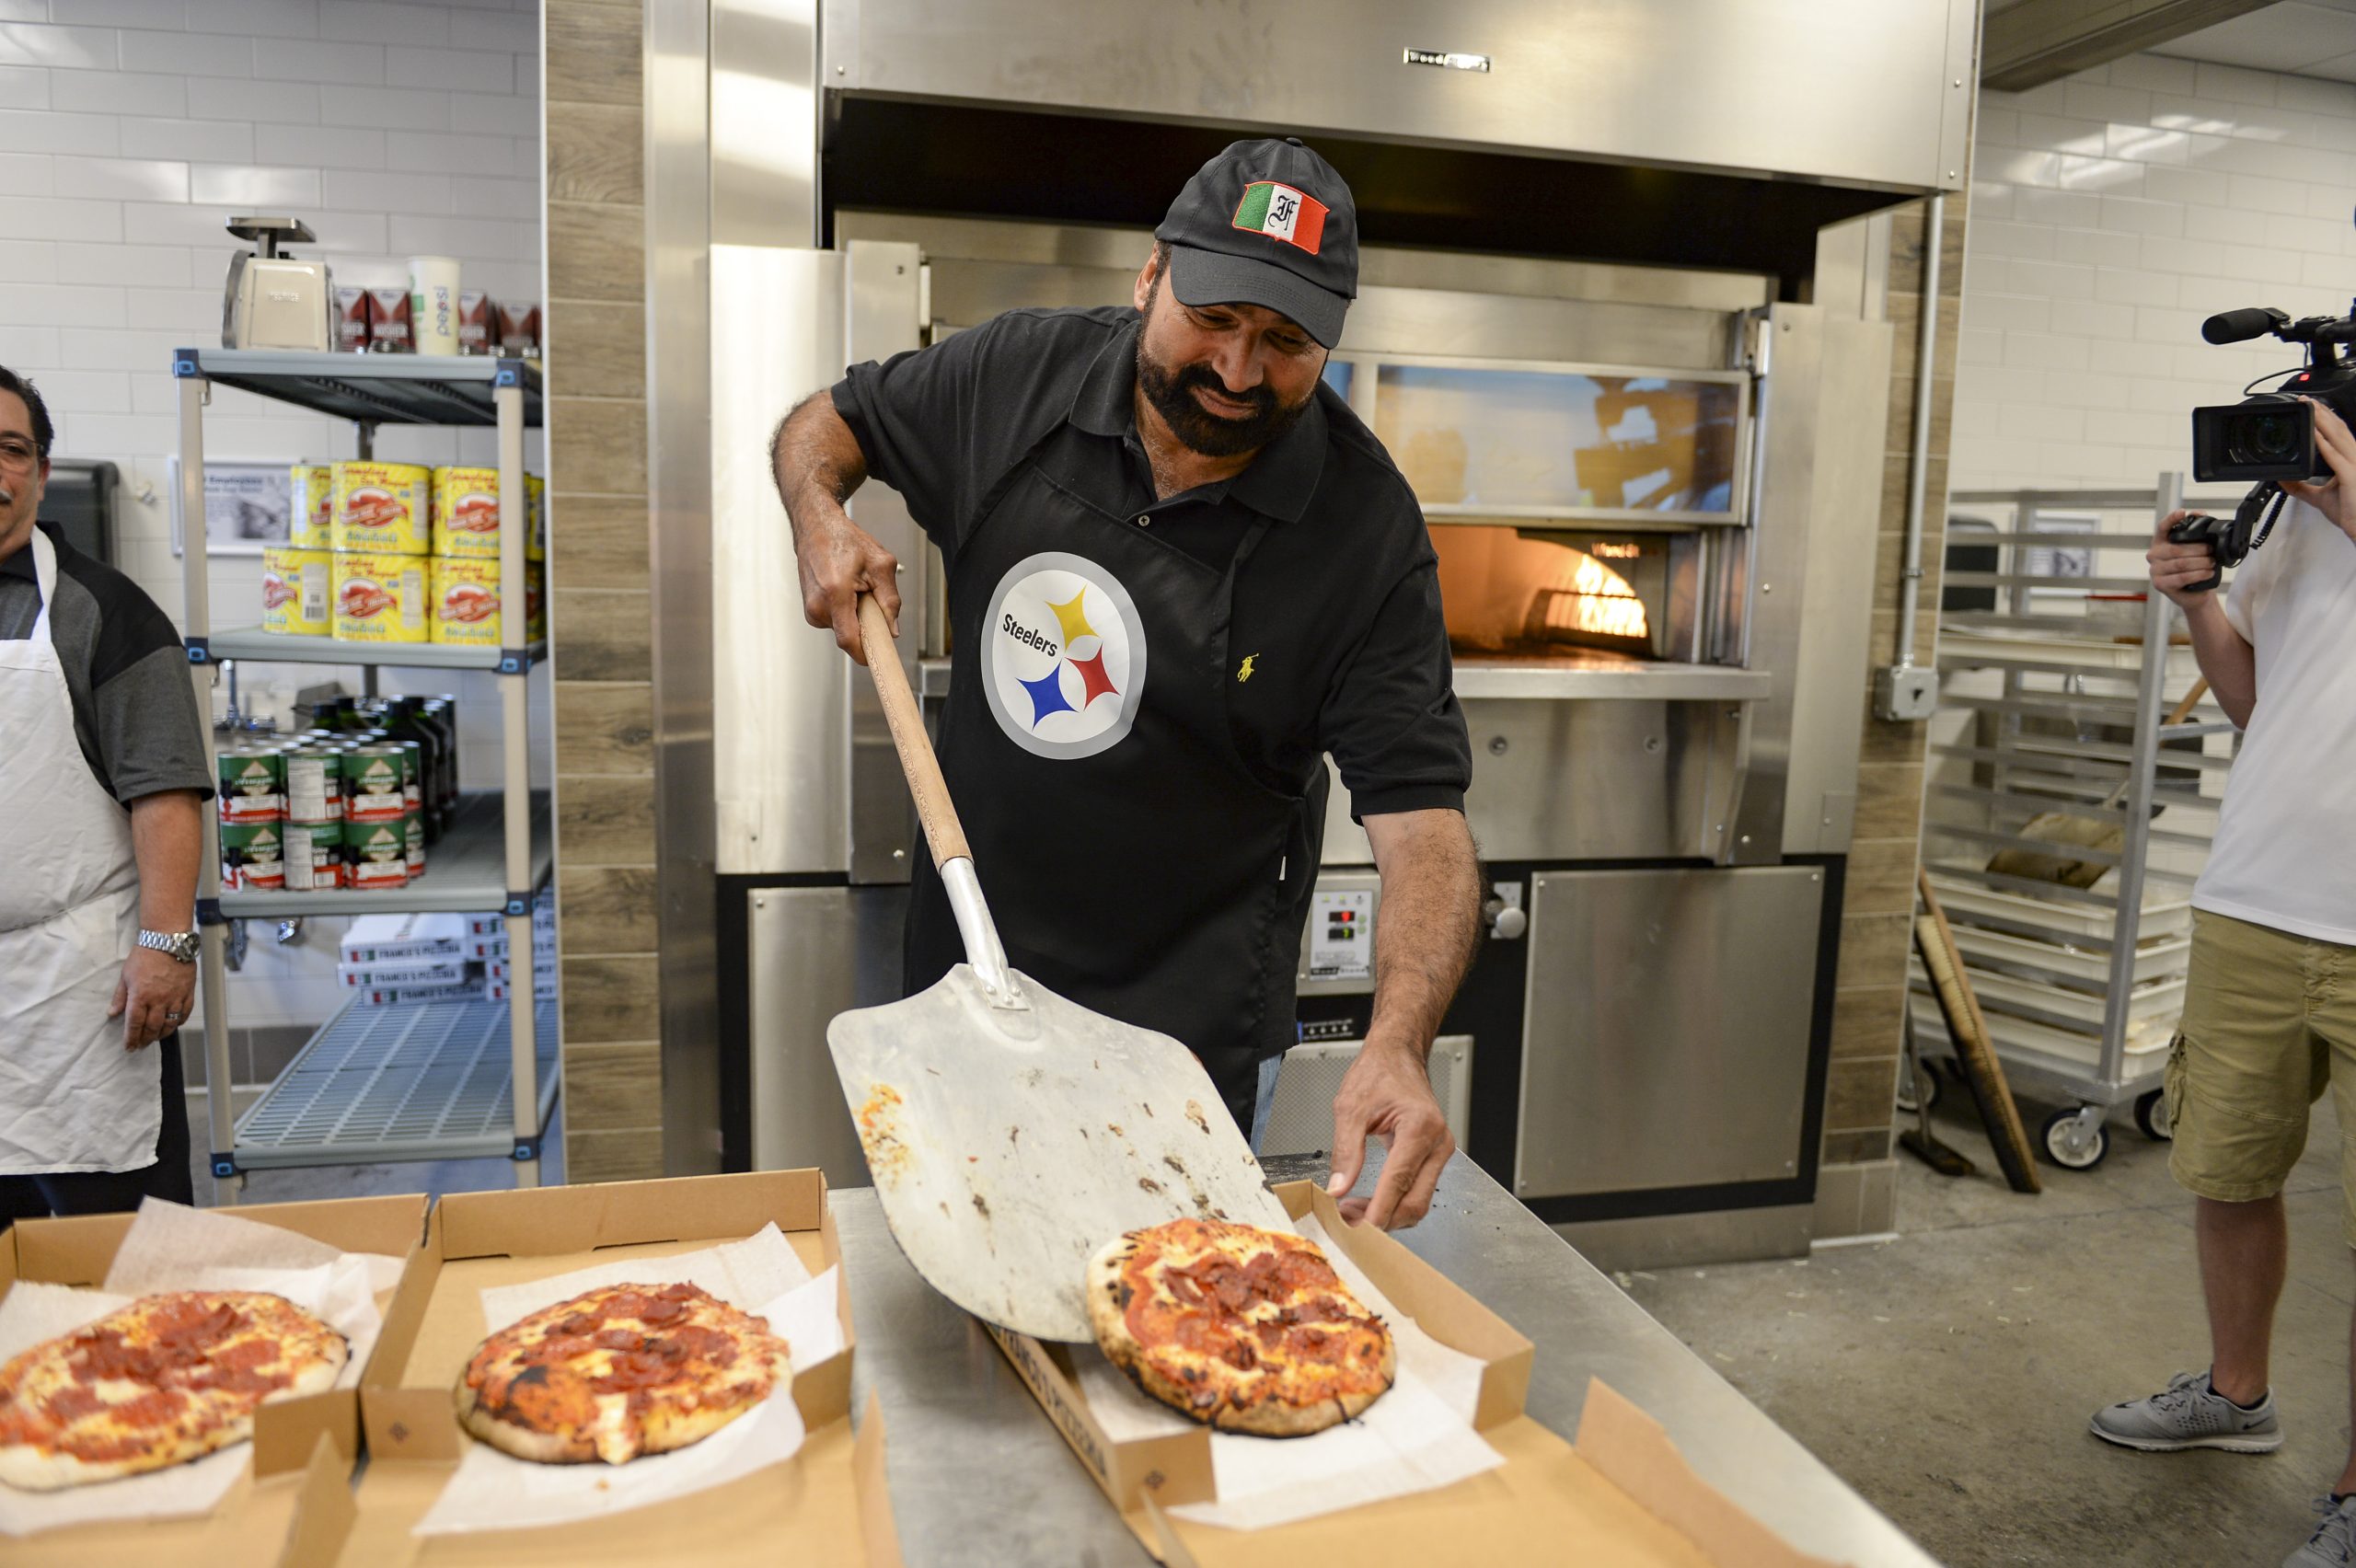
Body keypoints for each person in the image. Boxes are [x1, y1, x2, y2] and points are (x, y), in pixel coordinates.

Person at [772, 137, 1480, 1230]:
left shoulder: (1363, 531)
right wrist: (818, 515)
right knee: (962, 1271)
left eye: (1285, 342)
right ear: (1152, 275)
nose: (1237, 372)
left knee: (1171, 1300)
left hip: (1183, 1035)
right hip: (969, 982)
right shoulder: (1017, 377)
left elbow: (1423, 823)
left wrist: (1397, 1041)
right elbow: (829, 424)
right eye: (1215, 318)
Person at [2094, 397, 2356, 1568]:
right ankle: (2236, 1394)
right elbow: (2254, 702)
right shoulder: (2293, 513)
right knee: (2228, 1169)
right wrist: (2201, 601)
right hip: (2254, 900)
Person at [0, 365, 208, 1220]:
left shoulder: (105, 612)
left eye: (11, 449)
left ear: (41, 472)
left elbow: (166, 791)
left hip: (74, 992)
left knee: (118, 1242)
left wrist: (167, 945)